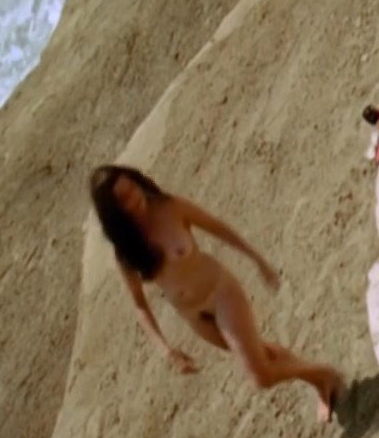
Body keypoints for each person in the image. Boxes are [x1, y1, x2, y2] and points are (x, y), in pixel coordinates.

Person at [88, 164, 343, 422]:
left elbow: (218, 228)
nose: (135, 197)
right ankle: (319, 382)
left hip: (220, 294)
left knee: (261, 377)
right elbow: (139, 305)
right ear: (115, 213)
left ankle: (324, 372)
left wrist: (256, 259)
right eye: (124, 199)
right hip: (195, 318)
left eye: (132, 187)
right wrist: (166, 349)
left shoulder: (170, 208)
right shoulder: (127, 251)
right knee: (262, 353)